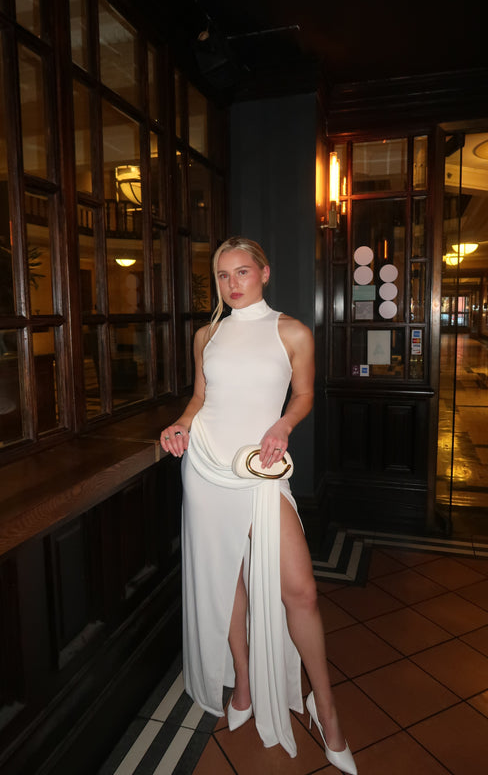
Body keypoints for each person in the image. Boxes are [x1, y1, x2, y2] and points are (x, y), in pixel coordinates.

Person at [160, 237, 356, 773]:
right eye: (223, 275)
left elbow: (304, 394)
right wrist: (180, 424)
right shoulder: (207, 335)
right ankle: (243, 681)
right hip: (206, 464)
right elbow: (201, 398)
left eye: (242, 272)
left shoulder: (291, 331)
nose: (232, 284)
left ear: (264, 273)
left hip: (259, 468)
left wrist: (283, 425)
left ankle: (326, 710)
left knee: (301, 591)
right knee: (227, 578)